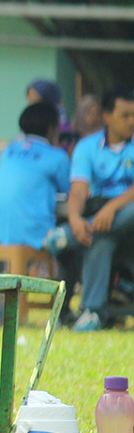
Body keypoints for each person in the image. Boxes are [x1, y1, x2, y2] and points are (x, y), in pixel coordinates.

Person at [44, 87, 134, 331]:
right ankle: (92, 313)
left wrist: (112, 208)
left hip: (124, 215)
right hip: (104, 222)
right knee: (99, 238)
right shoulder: (87, 147)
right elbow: (79, 190)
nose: (131, 121)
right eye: (125, 115)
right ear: (107, 116)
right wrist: (74, 218)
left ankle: (67, 237)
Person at [0, 103, 75, 316]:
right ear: (51, 128)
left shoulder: (9, 150)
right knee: (74, 249)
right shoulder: (56, 156)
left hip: (3, 229)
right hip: (36, 231)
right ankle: (63, 310)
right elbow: (69, 192)